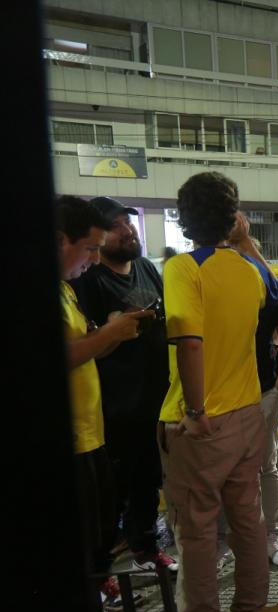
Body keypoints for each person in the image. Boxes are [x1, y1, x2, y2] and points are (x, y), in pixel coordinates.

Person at [158, 172, 272, 612]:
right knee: (248, 521)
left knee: (198, 531)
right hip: (248, 417)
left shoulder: (185, 269)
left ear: (184, 221)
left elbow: (189, 340)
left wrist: (196, 410)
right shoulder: (248, 270)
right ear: (232, 217)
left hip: (200, 423)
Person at [71, 197, 174, 572]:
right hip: (111, 407)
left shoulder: (146, 268)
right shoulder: (87, 278)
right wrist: (115, 327)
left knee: (148, 479)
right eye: (116, 225)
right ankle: (106, 564)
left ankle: (146, 546)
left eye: (128, 223)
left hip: (153, 398)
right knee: (112, 489)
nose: (127, 230)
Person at [56, 197, 148, 585]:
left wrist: (111, 332)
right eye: (90, 249)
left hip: (91, 435)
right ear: (60, 240)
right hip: (75, 440)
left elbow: (84, 350)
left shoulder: (66, 289)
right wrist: (110, 333)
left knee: (100, 532)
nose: (93, 260)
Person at [227, 213, 278, 568]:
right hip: (218, 392)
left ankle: (271, 534)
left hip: (260, 386)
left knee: (265, 465)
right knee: (225, 472)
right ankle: (225, 544)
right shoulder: (194, 268)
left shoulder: (255, 272)